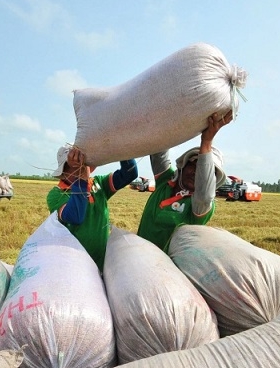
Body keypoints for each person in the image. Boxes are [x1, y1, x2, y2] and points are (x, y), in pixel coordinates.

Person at [137, 111, 232, 251]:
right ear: (183, 165)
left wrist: (206, 142)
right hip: (136, 258)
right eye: (193, 165)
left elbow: (204, 193)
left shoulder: (201, 207)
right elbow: (159, 149)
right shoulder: (166, 180)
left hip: (164, 269)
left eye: (204, 171)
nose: (196, 173)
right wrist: (172, 117)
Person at [47, 146, 137, 272]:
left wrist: (122, 147)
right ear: (65, 169)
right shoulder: (57, 194)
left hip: (102, 264)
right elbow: (75, 217)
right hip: (74, 267)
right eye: (77, 166)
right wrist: (81, 180)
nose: (84, 168)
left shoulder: (98, 184)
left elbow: (130, 173)